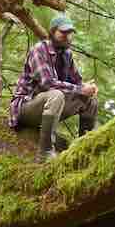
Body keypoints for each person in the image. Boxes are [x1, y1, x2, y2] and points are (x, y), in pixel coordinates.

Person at [9, 14, 98, 160]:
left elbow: (77, 83)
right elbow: (48, 83)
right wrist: (80, 89)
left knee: (90, 100)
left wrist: (88, 88)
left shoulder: (67, 54)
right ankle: (45, 153)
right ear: (52, 32)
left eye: (70, 33)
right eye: (63, 32)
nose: (67, 36)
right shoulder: (39, 50)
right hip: (26, 108)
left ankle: (85, 149)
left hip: (49, 105)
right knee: (56, 95)